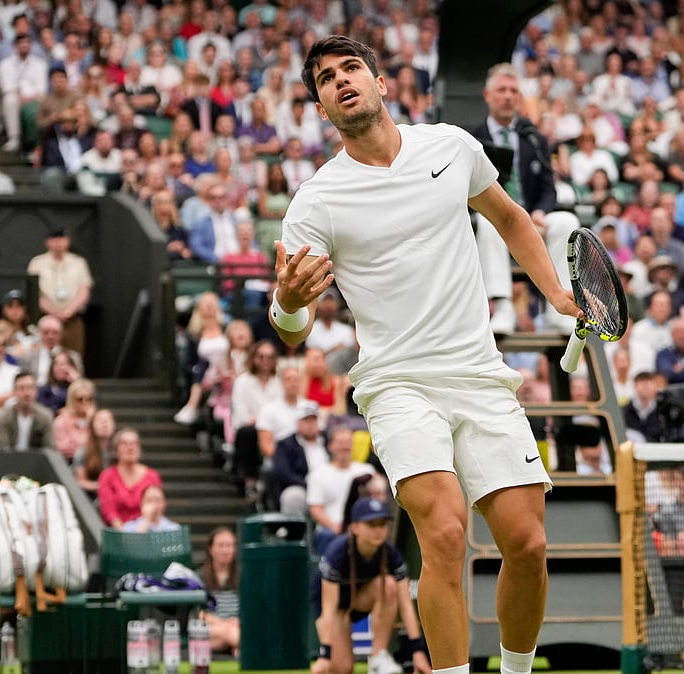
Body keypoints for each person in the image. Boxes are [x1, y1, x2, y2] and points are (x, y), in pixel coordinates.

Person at [277, 37, 580, 674]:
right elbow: (292, 330)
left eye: (351, 69)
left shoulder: (450, 146)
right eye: (326, 80)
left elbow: (512, 219)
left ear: (381, 83)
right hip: (397, 385)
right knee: (443, 535)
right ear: (323, 109)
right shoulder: (316, 201)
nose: (342, 81)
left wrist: (557, 294)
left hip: (477, 374)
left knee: (527, 545)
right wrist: (285, 303)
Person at [470, 62, 578, 335]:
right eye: (502, 90)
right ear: (487, 95)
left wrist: (540, 212)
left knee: (566, 221)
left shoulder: (534, 138)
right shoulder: (471, 139)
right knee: (488, 221)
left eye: (514, 91)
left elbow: (548, 189)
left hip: (532, 219)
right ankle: (503, 305)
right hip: (495, 218)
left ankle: (559, 306)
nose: (508, 96)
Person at [312, 498, 432, 674]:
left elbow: (406, 606)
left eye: (382, 524)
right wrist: (325, 654)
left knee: (389, 584)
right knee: (343, 668)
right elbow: (328, 610)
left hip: (361, 599)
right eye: (371, 524)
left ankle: (377, 658)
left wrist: (417, 651)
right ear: (355, 528)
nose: (379, 530)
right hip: (336, 609)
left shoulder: (391, 554)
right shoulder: (336, 554)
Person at [307, 426, 383, 553]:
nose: (345, 446)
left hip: (363, 527)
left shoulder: (366, 470)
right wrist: (337, 528)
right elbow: (315, 509)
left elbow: (379, 496)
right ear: (330, 446)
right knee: (326, 535)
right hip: (331, 529)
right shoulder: (318, 474)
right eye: (340, 443)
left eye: (348, 442)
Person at [25, 228, 93, 354]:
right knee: (45, 354)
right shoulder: (37, 263)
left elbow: (84, 289)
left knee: (74, 354)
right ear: (47, 242)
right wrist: (54, 313)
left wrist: (69, 312)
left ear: (68, 241)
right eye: (55, 239)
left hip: (72, 319)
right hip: (47, 319)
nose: (58, 243)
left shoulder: (78, 262)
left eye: (62, 239)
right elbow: (35, 293)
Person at [96, 427, 162, 529]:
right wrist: (124, 535)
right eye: (124, 443)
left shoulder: (152, 476)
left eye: (134, 443)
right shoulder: (107, 476)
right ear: (116, 449)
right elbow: (108, 511)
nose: (130, 447)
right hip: (117, 534)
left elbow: (157, 506)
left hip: (147, 532)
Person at [200, 527, 241, 655]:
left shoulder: (245, 576)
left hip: (238, 626)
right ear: (210, 549)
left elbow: (251, 609)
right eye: (221, 545)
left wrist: (239, 620)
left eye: (229, 546)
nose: (225, 550)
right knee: (228, 632)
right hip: (210, 629)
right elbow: (200, 614)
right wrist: (224, 624)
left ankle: (238, 647)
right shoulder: (199, 577)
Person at [0, 370, 54, 451]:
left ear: (36, 391)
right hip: (10, 461)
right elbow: (1, 448)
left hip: (37, 462)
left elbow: (49, 449)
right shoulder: (4, 416)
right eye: (21, 388)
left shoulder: (45, 416)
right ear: (14, 391)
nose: (26, 393)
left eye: (30, 388)